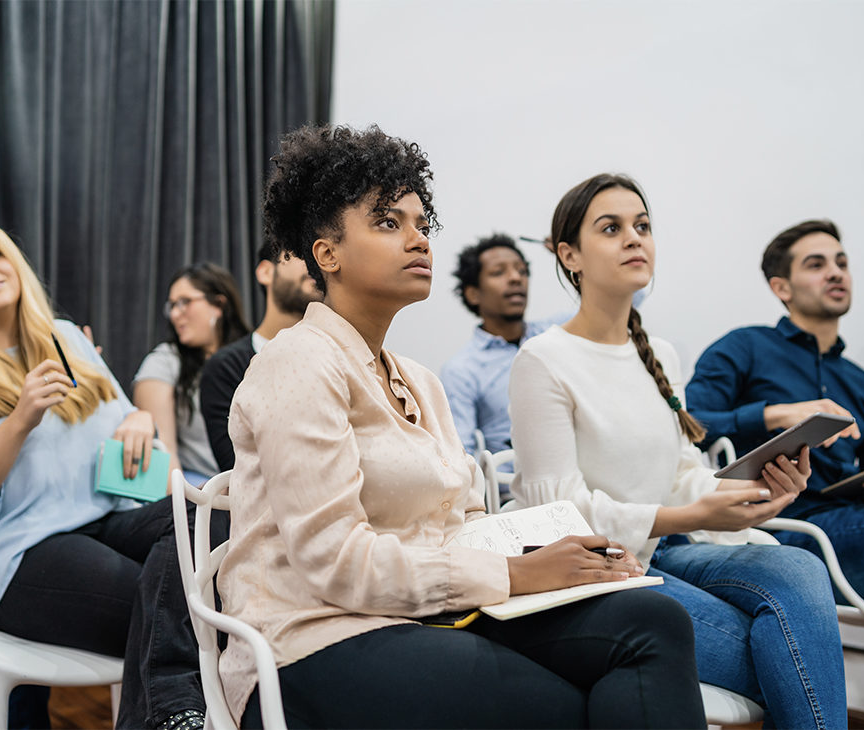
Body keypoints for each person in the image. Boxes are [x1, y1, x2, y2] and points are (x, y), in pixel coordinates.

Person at [217, 125, 706, 729]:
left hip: (434, 614)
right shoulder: (297, 362)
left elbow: (465, 520)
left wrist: (555, 554)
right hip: (313, 639)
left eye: (421, 223)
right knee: (569, 708)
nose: (419, 240)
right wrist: (514, 573)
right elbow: (335, 561)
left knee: (655, 621)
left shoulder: (420, 381)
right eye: (389, 223)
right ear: (327, 254)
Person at [508, 174, 848, 730]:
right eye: (611, 228)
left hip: (668, 549)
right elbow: (556, 513)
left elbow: (684, 473)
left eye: (642, 226)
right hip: (603, 569)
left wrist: (756, 490)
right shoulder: (542, 360)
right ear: (569, 255)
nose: (634, 239)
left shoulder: (657, 352)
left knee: (798, 567)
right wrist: (693, 514)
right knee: (790, 647)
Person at [0, 213, 212, 730]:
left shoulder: (67, 339)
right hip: (18, 550)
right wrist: (21, 418)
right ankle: (174, 711)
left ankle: (165, 711)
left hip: (107, 516)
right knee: (180, 602)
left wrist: (140, 417)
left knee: (205, 517)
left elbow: (123, 418)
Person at [686, 219, 864, 617]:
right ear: (781, 287)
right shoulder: (744, 347)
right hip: (782, 534)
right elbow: (690, 425)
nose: (836, 272)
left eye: (841, 262)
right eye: (816, 264)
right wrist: (778, 414)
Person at [441, 234, 565, 459]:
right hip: (509, 490)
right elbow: (461, 457)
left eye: (522, 271)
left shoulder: (557, 333)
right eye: (499, 272)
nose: (516, 278)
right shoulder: (461, 371)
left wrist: (574, 254)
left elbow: (628, 298)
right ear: (473, 294)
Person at [199, 242, 321, 472]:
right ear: (266, 272)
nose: (315, 263)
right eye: (302, 254)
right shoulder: (226, 367)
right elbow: (238, 468)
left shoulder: (339, 356)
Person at [133, 263, 249, 483]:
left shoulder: (252, 355)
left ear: (219, 305)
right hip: (199, 495)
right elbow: (165, 458)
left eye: (185, 302)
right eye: (172, 306)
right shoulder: (164, 362)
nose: (176, 314)